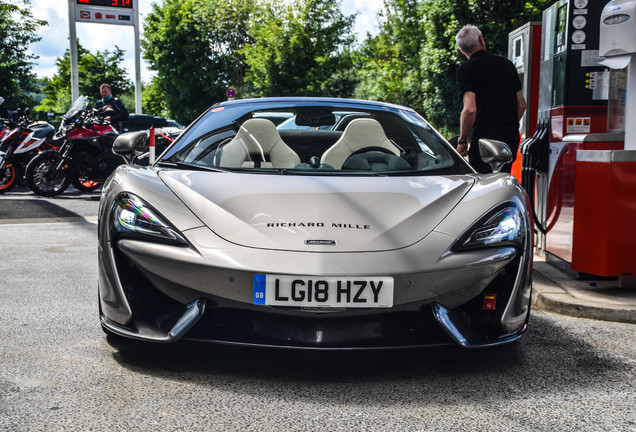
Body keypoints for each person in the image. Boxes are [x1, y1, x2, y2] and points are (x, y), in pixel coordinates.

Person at [455, 25, 526, 173]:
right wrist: (508, 124)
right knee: (503, 180)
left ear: (461, 51)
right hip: (510, 138)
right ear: (481, 40)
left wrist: (462, 140)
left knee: (483, 185)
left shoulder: (465, 70)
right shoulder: (506, 64)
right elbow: (522, 105)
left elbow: (470, 109)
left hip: (485, 139)